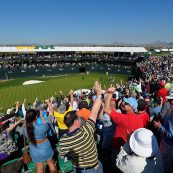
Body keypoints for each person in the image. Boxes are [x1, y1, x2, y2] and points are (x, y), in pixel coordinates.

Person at [58, 81, 103, 173]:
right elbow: (94, 112)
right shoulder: (86, 130)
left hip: (80, 169)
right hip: (94, 168)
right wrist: (99, 94)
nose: (80, 119)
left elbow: (62, 156)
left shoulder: (63, 140)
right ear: (75, 122)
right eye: (79, 118)